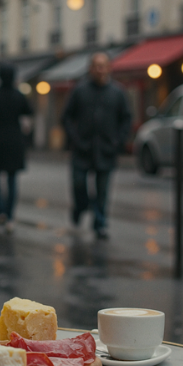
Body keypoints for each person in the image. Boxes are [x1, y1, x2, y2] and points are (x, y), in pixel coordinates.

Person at [61, 52, 131, 240]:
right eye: (96, 66)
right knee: (78, 184)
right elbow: (66, 117)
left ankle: (100, 223)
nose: (100, 70)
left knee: (102, 191)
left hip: (106, 150)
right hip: (82, 149)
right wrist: (75, 139)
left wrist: (118, 141)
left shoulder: (117, 92)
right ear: (90, 69)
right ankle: (80, 207)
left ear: (109, 68)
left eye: (103, 66)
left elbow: (126, 119)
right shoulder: (80, 91)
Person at [0, 62, 34, 232]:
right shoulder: (19, 95)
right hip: (14, 141)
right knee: (12, 179)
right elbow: (29, 111)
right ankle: (9, 216)